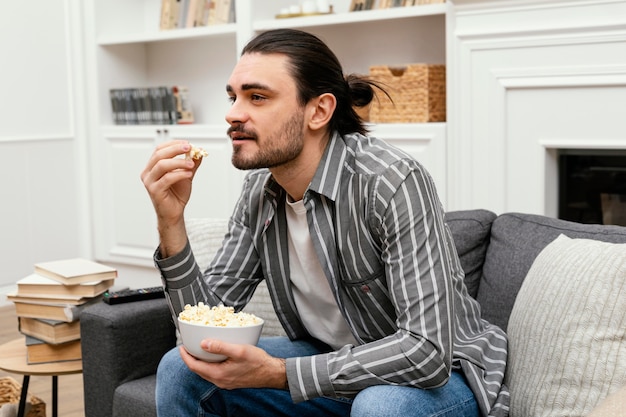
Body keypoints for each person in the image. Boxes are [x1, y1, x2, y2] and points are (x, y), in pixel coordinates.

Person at [141, 28, 509, 417]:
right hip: (332, 361)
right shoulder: (259, 193)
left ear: (318, 111)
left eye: (257, 97)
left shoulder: (391, 181)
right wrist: (171, 222)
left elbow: (427, 351)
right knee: (182, 368)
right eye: (233, 97)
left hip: (442, 376)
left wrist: (283, 373)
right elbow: (204, 329)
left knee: (379, 406)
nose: (233, 113)